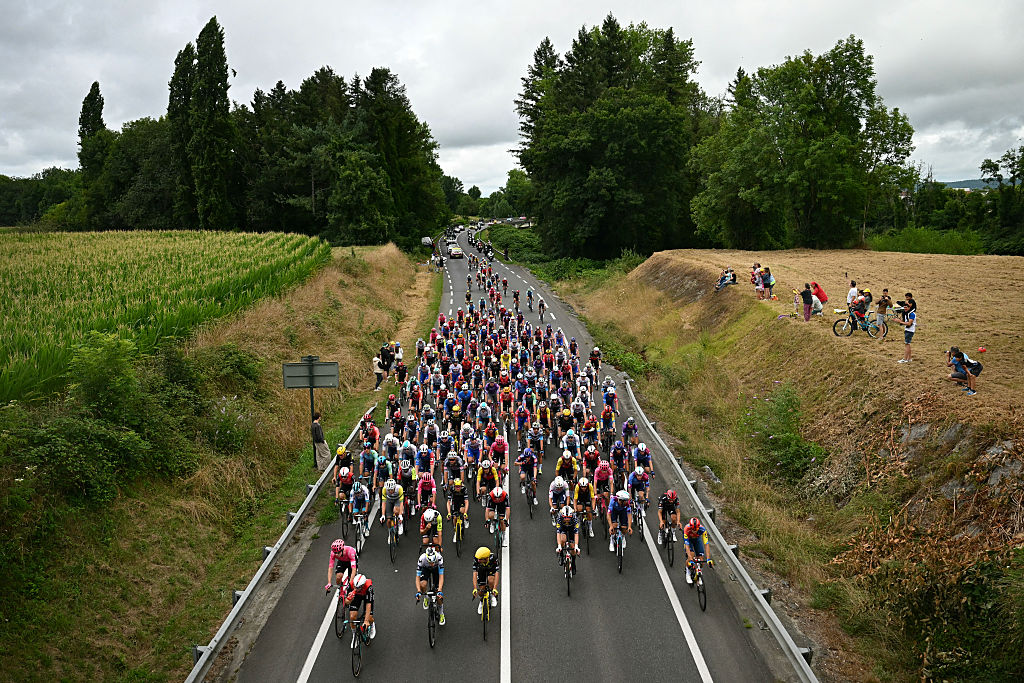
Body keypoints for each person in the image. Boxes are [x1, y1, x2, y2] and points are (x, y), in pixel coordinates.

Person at [415, 545, 446, 625]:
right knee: (423, 584)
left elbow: (441, 576)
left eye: (433, 562)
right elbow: (417, 577)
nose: (432, 564)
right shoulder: (422, 559)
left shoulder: (439, 558)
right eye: (430, 562)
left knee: (438, 595)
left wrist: (439, 590)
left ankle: (441, 613)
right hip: (426, 568)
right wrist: (418, 591)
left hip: (437, 569)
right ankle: (426, 598)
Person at [342, 573, 376, 639]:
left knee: (369, 617)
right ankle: (354, 635)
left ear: (362, 586)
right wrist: (349, 600)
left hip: (366, 596)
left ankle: (372, 625)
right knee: (352, 616)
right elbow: (346, 602)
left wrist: (366, 620)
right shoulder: (351, 585)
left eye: (357, 588)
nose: (355, 588)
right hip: (357, 596)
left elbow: (368, 604)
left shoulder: (369, 587)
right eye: (354, 586)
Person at [682, 516, 714, 584]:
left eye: (696, 529)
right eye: (693, 529)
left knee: (701, 560)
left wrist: (708, 558)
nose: (694, 531)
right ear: (690, 527)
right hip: (689, 540)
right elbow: (687, 546)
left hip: (697, 540)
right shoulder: (686, 529)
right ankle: (688, 573)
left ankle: (699, 574)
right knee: (691, 555)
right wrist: (690, 558)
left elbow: (706, 544)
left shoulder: (702, 529)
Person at [472, 547, 500, 615]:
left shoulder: (493, 558)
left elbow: (496, 573)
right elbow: (475, 574)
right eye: (478, 559)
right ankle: (481, 602)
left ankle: (492, 595)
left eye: (480, 559)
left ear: (486, 558)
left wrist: (495, 588)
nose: (478, 560)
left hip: (491, 569)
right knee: (481, 591)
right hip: (481, 570)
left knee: (490, 581)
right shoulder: (476, 559)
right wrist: (475, 588)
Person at [893, 292, 917, 363]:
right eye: (904, 308)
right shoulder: (909, 313)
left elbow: (909, 323)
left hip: (910, 330)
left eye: (906, 308)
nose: (905, 309)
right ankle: (909, 358)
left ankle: (905, 359)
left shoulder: (912, 314)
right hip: (908, 330)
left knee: (907, 344)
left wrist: (900, 322)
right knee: (908, 344)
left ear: (910, 307)